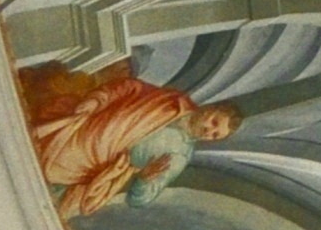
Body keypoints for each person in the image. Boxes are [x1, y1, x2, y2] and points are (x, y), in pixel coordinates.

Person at [18, 61, 237, 215]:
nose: (209, 132)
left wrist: (145, 179)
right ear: (210, 108)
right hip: (79, 128)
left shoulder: (179, 155)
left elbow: (140, 199)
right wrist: (95, 101)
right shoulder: (172, 101)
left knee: (32, 174)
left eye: (215, 136)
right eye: (215, 123)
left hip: (85, 164)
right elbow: (127, 87)